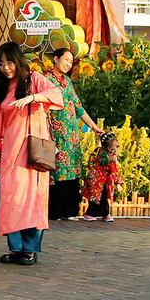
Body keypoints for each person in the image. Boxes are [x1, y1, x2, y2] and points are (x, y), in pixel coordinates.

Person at [0, 42, 64, 266]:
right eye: (1, 64)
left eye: (9, 62)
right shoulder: (2, 90)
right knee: (11, 198)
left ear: (18, 60)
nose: (6, 68)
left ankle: (30, 250)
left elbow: (56, 94)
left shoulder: (34, 79)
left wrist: (32, 98)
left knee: (32, 199)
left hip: (33, 153)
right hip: (11, 152)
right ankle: (15, 248)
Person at [45, 48, 104, 220]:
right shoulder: (46, 79)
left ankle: (69, 211)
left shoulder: (67, 82)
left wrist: (94, 127)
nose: (68, 64)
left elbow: (78, 107)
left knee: (72, 170)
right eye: (66, 60)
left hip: (71, 135)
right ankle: (54, 211)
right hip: (55, 132)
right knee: (58, 171)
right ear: (56, 59)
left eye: (71, 62)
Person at [82, 132, 121, 222]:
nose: (115, 149)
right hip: (100, 180)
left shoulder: (98, 151)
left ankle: (105, 214)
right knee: (98, 197)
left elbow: (90, 161)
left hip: (94, 177)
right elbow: (114, 171)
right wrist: (118, 183)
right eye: (112, 147)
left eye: (116, 146)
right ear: (107, 147)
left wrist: (92, 168)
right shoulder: (110, 157)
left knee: (98, 197)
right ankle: (91, 214)